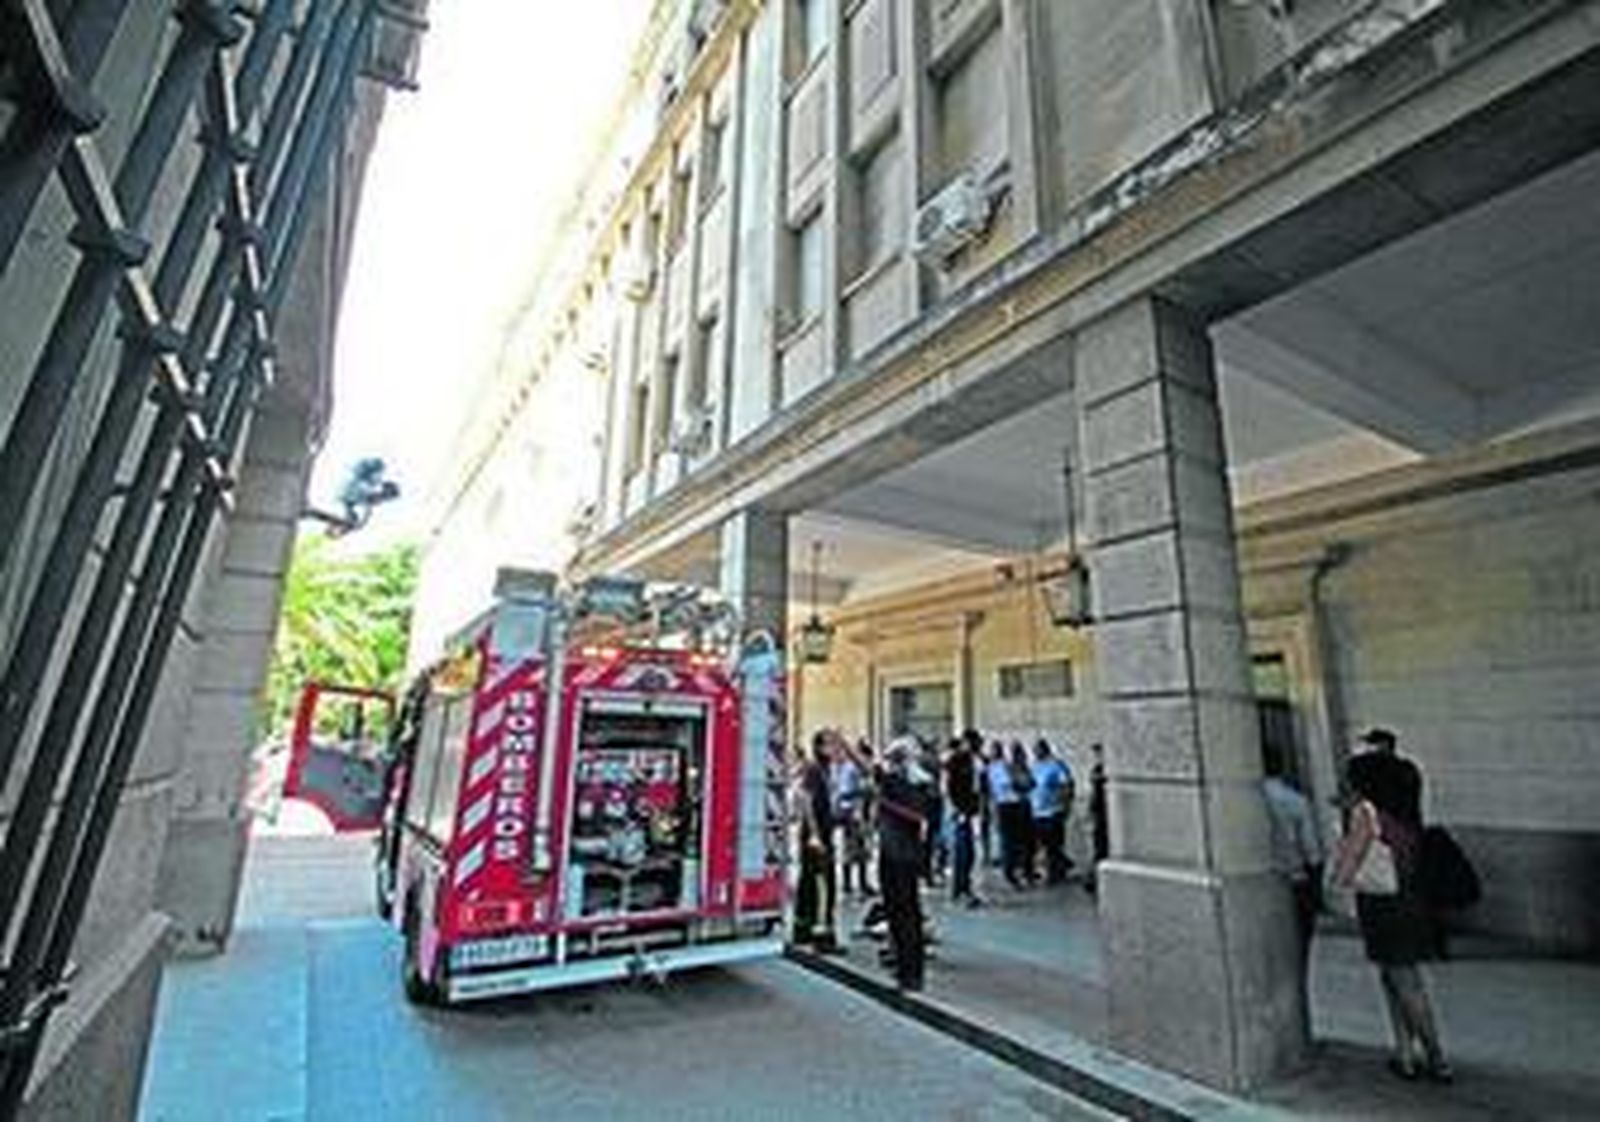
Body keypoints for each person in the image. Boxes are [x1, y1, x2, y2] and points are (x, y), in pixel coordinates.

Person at [1332, 748, 1451, 1083]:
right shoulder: (1404, 811)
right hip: (1409, 899)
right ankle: (1406, 1054)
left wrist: (1337, 877)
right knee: (1401, 979)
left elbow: (1350, 861)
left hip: (1383, 904)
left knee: (1402, 981)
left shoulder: (1365, 813)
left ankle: (1435, 1056)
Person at [1261, 745, 1323, 1008]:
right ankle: (1296, 1007)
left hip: (1261, 886)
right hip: (1294, 882)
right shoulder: (1295, 801)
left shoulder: (1244, 801)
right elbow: (1313, 852)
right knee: (1297, 955)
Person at [876, 737, 928, 991]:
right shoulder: (909, 783)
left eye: (893, 758)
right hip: (897, 854)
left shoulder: (902, 784)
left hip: (900, 857)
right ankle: (906, 967)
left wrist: (844, 745)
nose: (889, 763)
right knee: (901, 913)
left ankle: (910, 973)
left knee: (904, 914)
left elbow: (917, 816)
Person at [793, 730, 841, 953]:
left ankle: (803, 930)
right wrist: (814, 834)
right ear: (820, 747)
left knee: (809, 883)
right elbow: (805, 800)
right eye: (831, 745)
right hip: (816, 836)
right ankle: (822, 935)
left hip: (822, 832)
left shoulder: (824, 770)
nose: (835, 749)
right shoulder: (814, 770)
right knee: (823, 885)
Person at [832, 738, 874, 897]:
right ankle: (852, 883)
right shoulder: (842, 768)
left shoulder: (847, 768)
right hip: (850, 812)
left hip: (853, 811)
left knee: (857, 849)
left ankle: (857, 883)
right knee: (853, 849)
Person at [946, 731, 984, 907]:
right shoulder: (956, 761)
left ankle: (965, 888)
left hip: (969, 811)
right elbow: (950, 787)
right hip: (960, 811)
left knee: (969, 853)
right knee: (962, 852)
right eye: (976, 743)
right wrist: (957, 809)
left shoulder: (972, 760)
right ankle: (959, 891)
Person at [1029, 739, 1074, 885]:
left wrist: (1066, 805)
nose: (1035, 753)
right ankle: (1056, 867)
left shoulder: (1056, 765)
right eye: (1034, 750)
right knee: (1043, 844)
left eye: (1037, 750)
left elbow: (1066, 785)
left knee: (1054, 844)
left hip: (1053, 810)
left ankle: (1056, 873)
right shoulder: (1034, 766)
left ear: (1045, 750)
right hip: (1037, 811)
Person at [986, 742, 1029, 888]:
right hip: (1007, 805)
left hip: (1008, 804)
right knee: (1009, 840)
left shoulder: (997, 767)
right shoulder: (999, 767)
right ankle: (1011, 871)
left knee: (1011, 840)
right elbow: (1015, 784)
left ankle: (1012, 870)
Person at [1084, 743, 1108, 895]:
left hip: (1103, 813)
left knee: (1100, 847)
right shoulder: (1097, 770)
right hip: (1099, 813)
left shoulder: (1102, 771)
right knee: (1098, 847)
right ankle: (1093, 879)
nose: (1097, 757)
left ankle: (1094, 880)